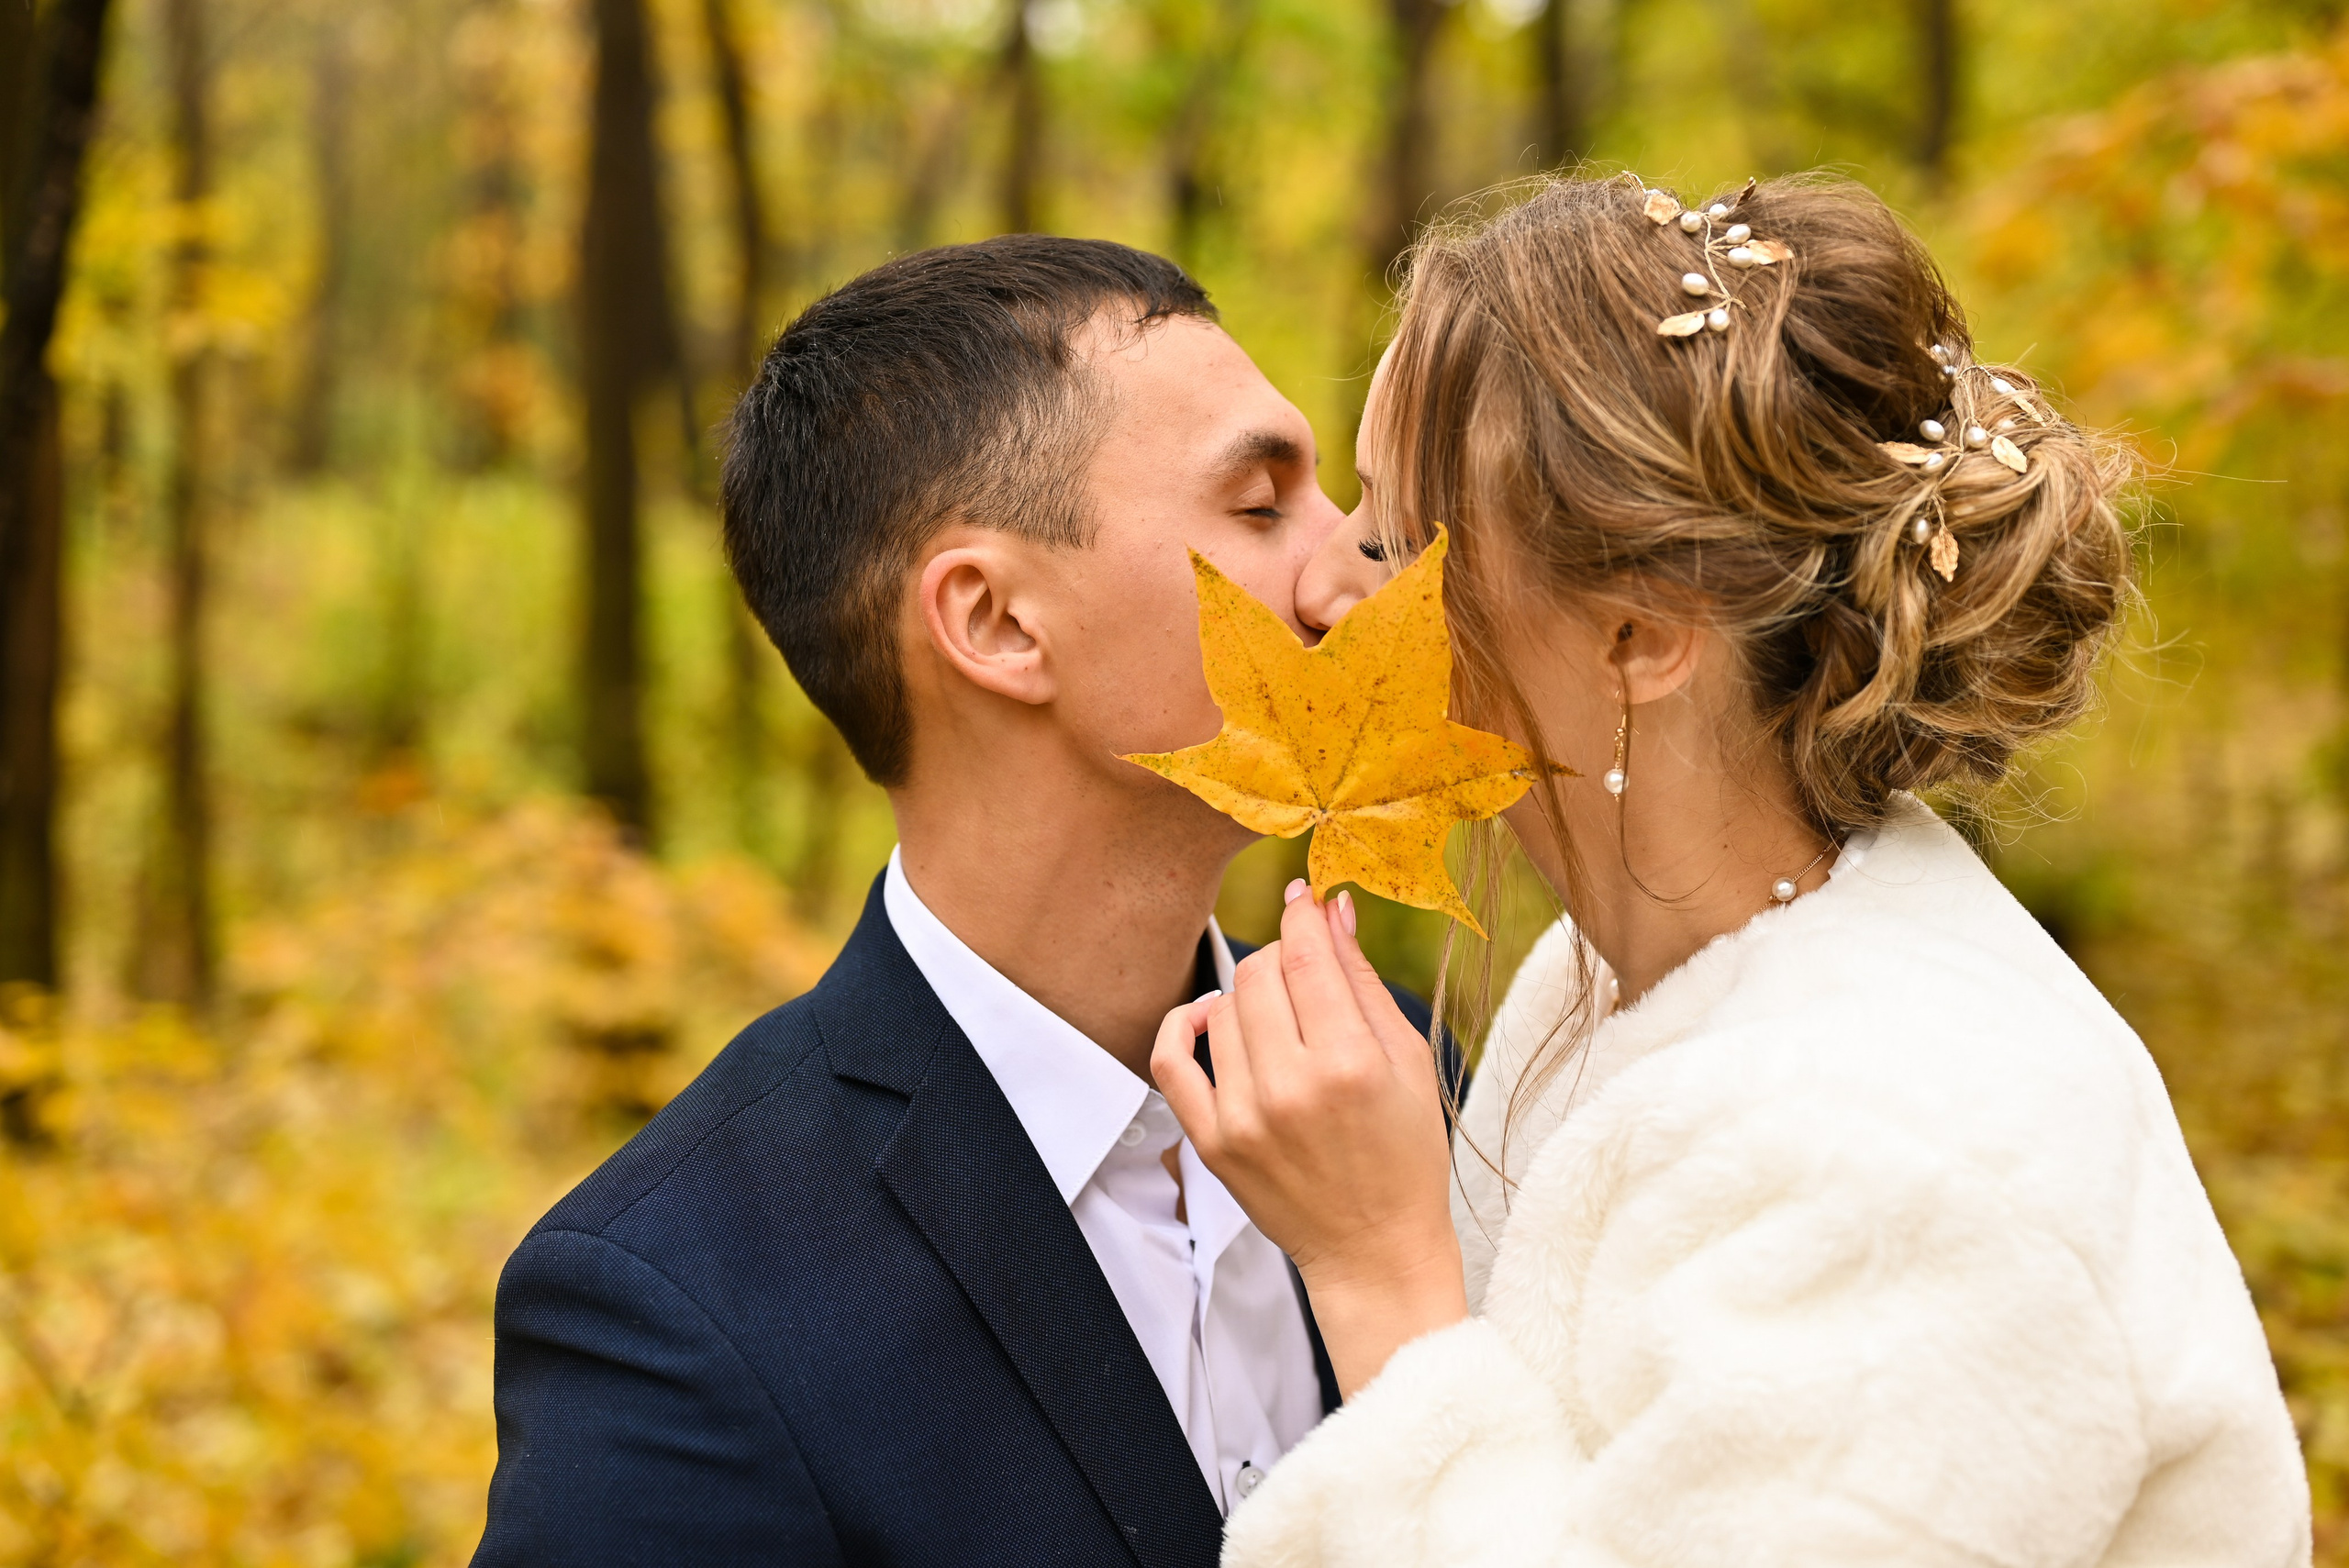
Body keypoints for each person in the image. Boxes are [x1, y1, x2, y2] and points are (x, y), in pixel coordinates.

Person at [1150, 174, 2313, 1565]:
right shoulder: (1605, 973)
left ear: (1639, 635)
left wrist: (1379, 1275)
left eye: (1397, 539)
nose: (1326, 583)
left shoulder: (1910, 1154)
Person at [471, 236, 1433, 1566]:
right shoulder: (681, 1306)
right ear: (994, 622)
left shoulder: (1431, 1087)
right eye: (1263, 507)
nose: (1346, 572)